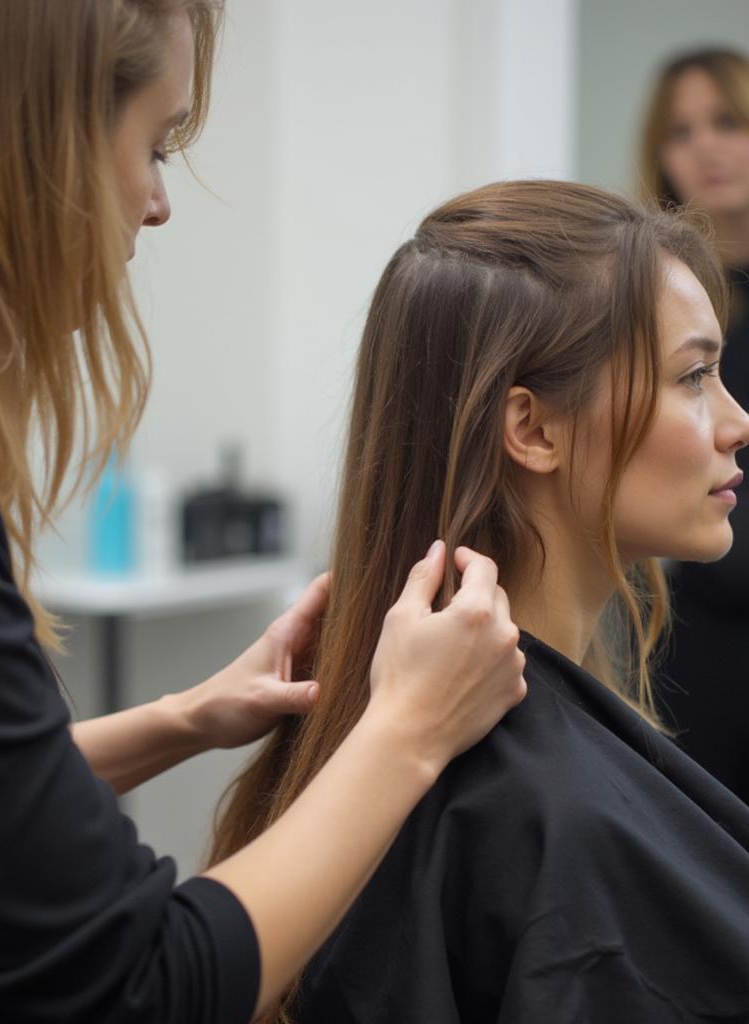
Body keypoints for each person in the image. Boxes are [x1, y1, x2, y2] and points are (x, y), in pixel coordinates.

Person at [0, 2, 528, 1022]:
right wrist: (408, 732)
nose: (157, 204)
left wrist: (186, 719)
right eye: (152, 144)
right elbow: (134, 985)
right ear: (30, 134)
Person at [211, 180, 749, 1023]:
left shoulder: (412, 765)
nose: (736, 420)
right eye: (693, 376)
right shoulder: (541, 813)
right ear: (533, 431)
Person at [638, 47, 749, 802]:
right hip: (703, 639)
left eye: (728, 121)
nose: (704, 147)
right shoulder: (655, 305)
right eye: (680, 131)